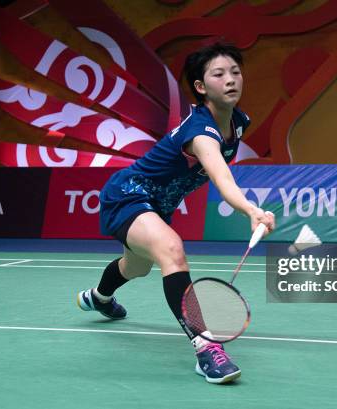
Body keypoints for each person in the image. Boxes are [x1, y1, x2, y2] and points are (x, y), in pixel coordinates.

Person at [77, 43, 275, 384]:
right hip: (129, 193)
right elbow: (219, 173)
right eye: (219, 74)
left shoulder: (238, 122)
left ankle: (98, 298)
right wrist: (249, 209)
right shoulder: (200, 131)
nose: (230, 80)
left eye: (235, 72)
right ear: (200, 87)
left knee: (136, 267)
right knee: (172, 249)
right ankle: (206, 348)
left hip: (157, 204)